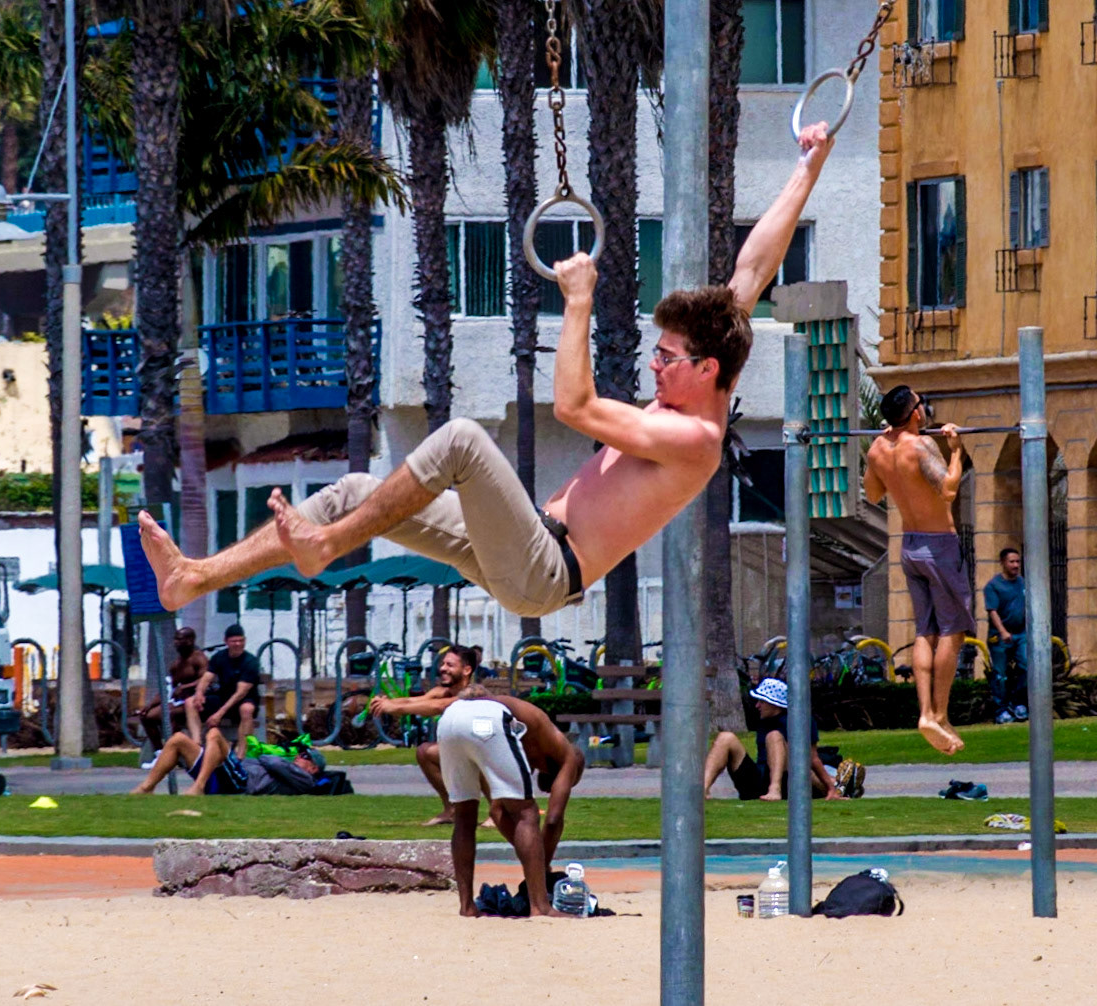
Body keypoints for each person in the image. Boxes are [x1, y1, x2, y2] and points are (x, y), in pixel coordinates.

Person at [135, 124, 837, 628]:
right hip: (523, 542)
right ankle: (193, 577)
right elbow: (752, 269)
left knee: (465, 441)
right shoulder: (714, 353)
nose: (653, 364)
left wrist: (578, 303)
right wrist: (807, 167)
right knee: (352, 491)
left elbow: (573, 406)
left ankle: (323, 548)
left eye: (665, 356)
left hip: (543, 570)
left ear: (707, 368)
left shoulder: (694, 440)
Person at [863, 385, 971, 754]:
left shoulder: (878, 448)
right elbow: (949, 490)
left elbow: (873, 494)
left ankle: (926, 712)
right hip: (939, 546)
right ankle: (938, 714)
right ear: (915, 414)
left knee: (925, 631)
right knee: (953, 632)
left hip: (909, 545)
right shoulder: (921, 446)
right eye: (920, 403)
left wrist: (877, 452)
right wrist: (956, 451)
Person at [385, 688, 586, 872]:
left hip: (452, 719)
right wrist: (541, 863)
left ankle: (467, 906)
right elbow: (553, 820)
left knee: (465, 814)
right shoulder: (567, 755)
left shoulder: (531, 747)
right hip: (489, 716)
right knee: (527, 815)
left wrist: (532, 853)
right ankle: (539, 900)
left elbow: (497, 811)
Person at [369, 644, 479, 825]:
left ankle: (495, 813)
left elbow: (439, 706)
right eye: (443, 664)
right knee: (425, 752)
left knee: (482, 755)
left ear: (466, 670)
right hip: (466, 751)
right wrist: (387, 702)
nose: (442, 668)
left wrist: (394, 707)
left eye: (450, 665)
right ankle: (452, 809)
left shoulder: (473, 692)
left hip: (490, 754)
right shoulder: (441, 691)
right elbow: (414, 701)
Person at [704, 678, 845, 801]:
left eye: (762, 701)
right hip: (758, 781)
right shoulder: (762, 719)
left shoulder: (800, 721)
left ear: (775, 704)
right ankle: (703, 789)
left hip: (789, 781)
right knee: (725, 737)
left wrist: (830, 788)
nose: (757, 706)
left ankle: (775, 789)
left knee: (774, 736)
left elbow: (812, 758)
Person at [131, 727, 325, 797]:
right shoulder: (291, 770)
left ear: (313, 768)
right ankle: (146, 787)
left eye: (305, 756)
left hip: (241, 783)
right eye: (301, 753)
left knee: (215, 734)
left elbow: (270, 761)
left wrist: (275, 758)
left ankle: (199, 786)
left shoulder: (305, 780)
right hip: (230, 776)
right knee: (178, 740)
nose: (299, 756)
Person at [135, 625, 208, 752]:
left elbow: (206, 680)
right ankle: (159, 752)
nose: (176, 643)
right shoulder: (176, 664)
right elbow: (168, 689)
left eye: (179, 640)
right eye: (175, 639)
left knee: (169, 714)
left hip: (195, 703)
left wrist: (186, 687)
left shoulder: (199, 658)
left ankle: (177, 751)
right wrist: (149, 705)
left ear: (190, 640)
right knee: (146, 716)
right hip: (177, 702)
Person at [194, 623, 261, 759]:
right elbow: (207, 678)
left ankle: (241, 754)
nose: (237, 644)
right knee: (190, 702)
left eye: (240, 641)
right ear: (226, 641)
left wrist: (219, 714)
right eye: (234, 641)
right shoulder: (219, 657)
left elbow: (240, 693)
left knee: (246, 709)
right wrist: (199, 693)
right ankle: (196, 745)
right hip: (223, 698)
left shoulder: (251, 662)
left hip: (242, 700)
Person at [982, 546, 1029, 725]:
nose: (1016, 565)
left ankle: (1017, 703)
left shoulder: (1023, 583)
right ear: (1003, 563)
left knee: (1027, 666)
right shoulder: (993, 586)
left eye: (1018, 561)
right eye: (1012, 562)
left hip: (1021, 634)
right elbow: (992, 611)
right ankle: (1001, 710)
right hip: (1000, 637)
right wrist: (1002, 632)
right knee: (1000, 674)